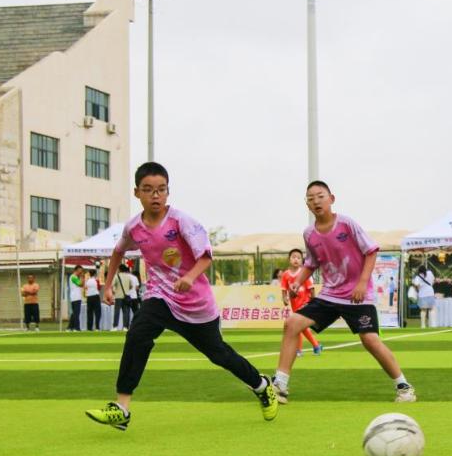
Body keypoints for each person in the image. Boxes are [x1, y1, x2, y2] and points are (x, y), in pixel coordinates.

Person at [85, 162, 277, 430]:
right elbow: (118, 251)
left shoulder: (181, 221)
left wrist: (189, 277)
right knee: (138, 334)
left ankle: (261, 385)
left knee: (219, 354)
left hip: (195, 305)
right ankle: (122, 408)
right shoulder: (134, 227)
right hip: (161, 296)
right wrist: (107, 286)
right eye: (148, 190)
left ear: (168, 191)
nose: (155, 195)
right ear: (136, 192)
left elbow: (206, 256)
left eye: (161, 189)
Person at [273, 181, 416, 404]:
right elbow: (311, 263)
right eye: (310, 198)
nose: (316, 201)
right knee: (292, 323)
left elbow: (371, 251)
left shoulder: (347, 224)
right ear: (307, 205)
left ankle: (404, 386)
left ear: (332, 199)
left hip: (357, 296)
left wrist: (362, 283)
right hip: (329, 295)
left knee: (370, 339)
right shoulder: (309, 234)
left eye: (320, 196)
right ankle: (280, 386)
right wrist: (297, 282)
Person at [279, 248, 322, 356]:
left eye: (298, 258)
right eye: (294, 257)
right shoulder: (285, 275)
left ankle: (299, 350)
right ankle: (315, 345)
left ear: (302, 260)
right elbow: (284, 289)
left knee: (298, 326)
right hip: (294, 304)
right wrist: (284, 298)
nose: (296, 259)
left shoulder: (304, 273)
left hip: (304, 303)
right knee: (300, 327)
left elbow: (311, 288)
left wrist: (313, 300)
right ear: (289, 259)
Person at [111, 263, 135, 330]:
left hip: (118, 296)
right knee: (126, 312)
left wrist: (115, 291)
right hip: (126, 296)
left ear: (119, 269)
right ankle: (125, 327)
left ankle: (115, 326)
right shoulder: (128, 276)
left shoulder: (117, 276)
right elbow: (131, 286)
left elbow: (112, 285)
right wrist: (126, 289)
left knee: (117, 312)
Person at [68, 265, 84, 331]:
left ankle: (69, 327)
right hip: (75, 297)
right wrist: (82, 277)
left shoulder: (75, 277)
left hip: (76, 297)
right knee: (76, 313)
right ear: (76, 270)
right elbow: (80, 284)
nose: (80, 273)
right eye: (80, 271)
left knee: (74, 313)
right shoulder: (73, 277)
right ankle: (76, 328)